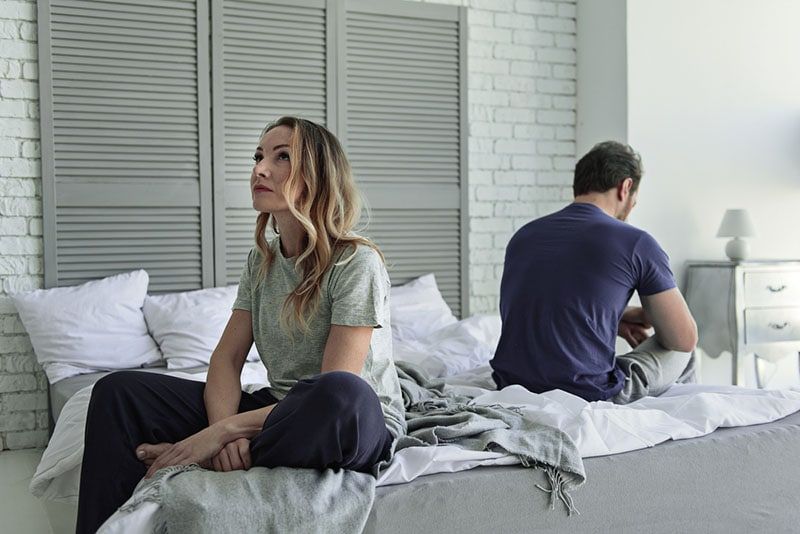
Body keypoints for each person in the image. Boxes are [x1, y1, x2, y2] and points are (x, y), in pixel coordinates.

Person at [75, 116, 406, 533]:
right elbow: (227, 359)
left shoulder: (356, 262)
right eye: (258, 156)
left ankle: (205, 454)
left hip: (351, 421)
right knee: (117, 392)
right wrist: (221, 433)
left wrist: (221, 434)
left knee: (342, 394)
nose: (259, 169)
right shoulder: (262, 261)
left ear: (317, 175)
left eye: (281, 156)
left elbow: (334, 383)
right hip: (277, 412)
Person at [490, 141, 698, 404]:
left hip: (513, 384)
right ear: (626, 187)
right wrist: (656, 319)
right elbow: (684, 339)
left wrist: (615, 316)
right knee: (686, 349)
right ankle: (690, 422)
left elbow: (542, 301)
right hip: (586, 393)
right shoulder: (636, 242)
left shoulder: (524, 236)